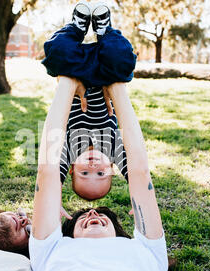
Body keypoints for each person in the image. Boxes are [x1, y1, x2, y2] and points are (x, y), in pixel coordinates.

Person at [30, 76, 167, 271]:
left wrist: (67, 83)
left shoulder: (48, 251)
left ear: (68, 233)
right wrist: (117, 87)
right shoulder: (149, 251)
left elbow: (47, 172)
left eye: (81, 217)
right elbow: (140, 173)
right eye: (102, 215)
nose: (93, 212)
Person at [43, 1, 137, 201]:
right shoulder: (113, 149)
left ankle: (76, 29)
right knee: (123, 60)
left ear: (72, 169)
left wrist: (55, 201)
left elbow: (54, 174)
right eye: (101, 173)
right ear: (112, 167)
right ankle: (104, 31)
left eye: (84, 173)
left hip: (75, 70)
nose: (93, 167)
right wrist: (138, 199)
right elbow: (135, 172)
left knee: (55, 52)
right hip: (105, 71)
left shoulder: (70, 150)